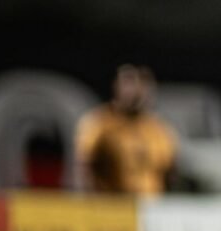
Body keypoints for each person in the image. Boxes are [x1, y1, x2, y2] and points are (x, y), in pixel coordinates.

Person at [75, 64, 177, 195]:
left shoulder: (159, 128)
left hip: (151, 203)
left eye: (143, 83)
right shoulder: (100, 122)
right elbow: (84, 166)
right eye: (129, 82)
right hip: (113, 202)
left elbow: (169, 172)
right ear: (116, 86)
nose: (137, 90)